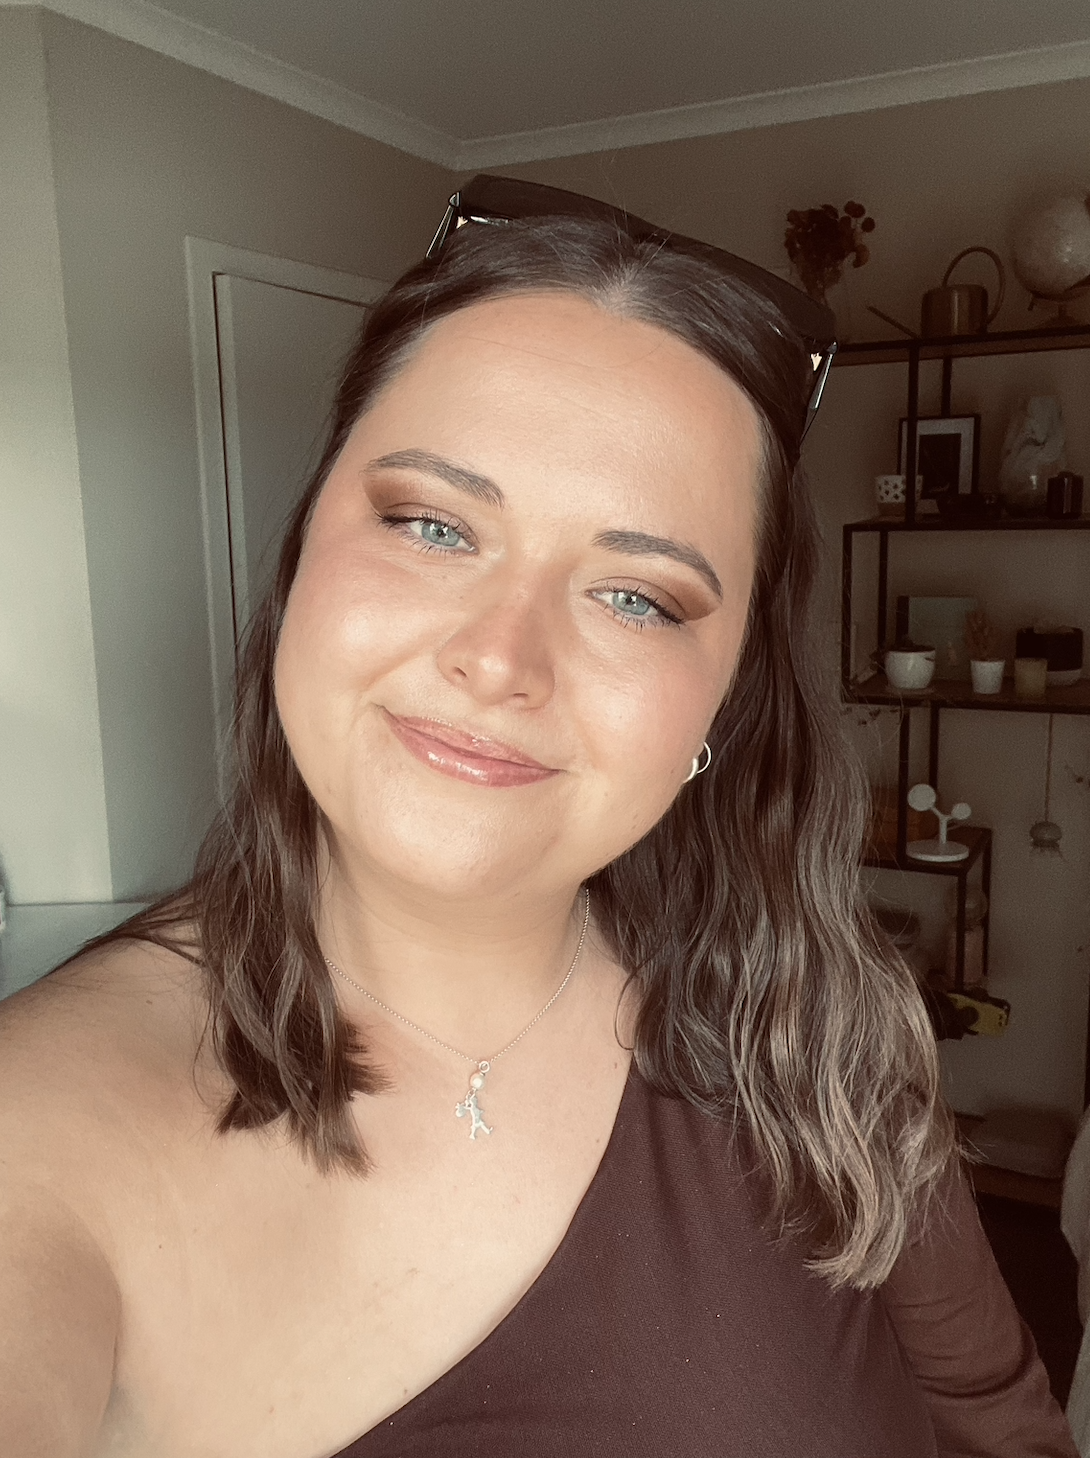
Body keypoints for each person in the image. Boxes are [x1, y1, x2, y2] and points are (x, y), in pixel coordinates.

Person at [0, 177, 1076, 1458]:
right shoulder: (46, 1131)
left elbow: (997, 1419)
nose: (499, 659)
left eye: (636, 597)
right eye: (432, 525)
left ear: (726, 701)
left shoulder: (821, 1021)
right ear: (299, 562)